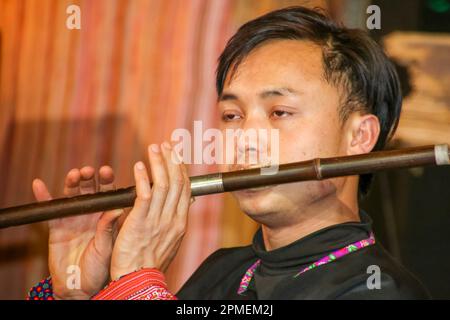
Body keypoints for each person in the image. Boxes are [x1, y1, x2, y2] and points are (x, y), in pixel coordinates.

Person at [28, 6, 430, 300]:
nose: (246, 139)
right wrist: (78, 293)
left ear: (359, 137)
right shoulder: (224, 269)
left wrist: (136, 281)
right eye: (232, 115)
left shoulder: (378, 290)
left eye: (279, 112)